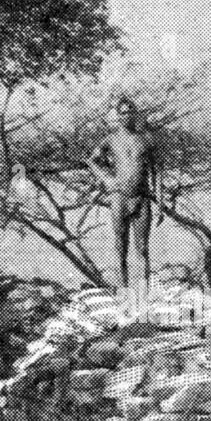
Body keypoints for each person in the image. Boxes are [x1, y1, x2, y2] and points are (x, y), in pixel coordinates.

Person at [89, 96, 161, 289]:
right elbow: (92, 160)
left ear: (134, 114)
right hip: (119, 196)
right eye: (122, 112)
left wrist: (160, 203)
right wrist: (106, 179)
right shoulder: (110, 139)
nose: (126, 116)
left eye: (130, 112)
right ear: (118, 116)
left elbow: (156, 171)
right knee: (121, 245)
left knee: (143, 248)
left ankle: (143, 295)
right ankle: (123, 292)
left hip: (141, 197)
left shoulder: (146, 139)